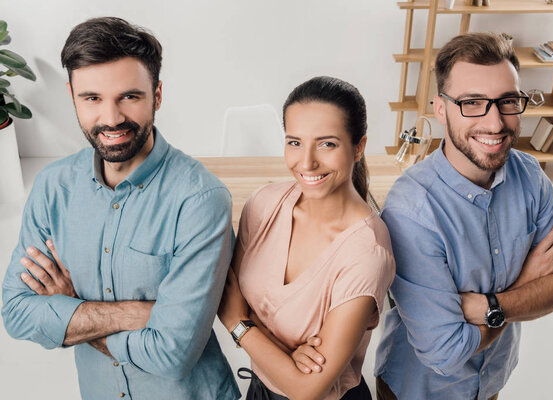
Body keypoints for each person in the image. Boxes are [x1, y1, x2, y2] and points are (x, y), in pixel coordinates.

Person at [1, 17, 240, 400]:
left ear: (157, 96)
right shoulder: (53, 187)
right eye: (92, 98)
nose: (111, 119)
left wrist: (71, 311)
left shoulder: (200, 200)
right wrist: (141, 314)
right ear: (72, 96)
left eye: (129, 96)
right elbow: (16, 312)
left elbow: (172, 352)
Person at [374, 32, 553, 400]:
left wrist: (491, 306)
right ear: (441, 109)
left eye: (507, 101)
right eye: (472, 102)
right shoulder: (411, 211)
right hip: (420, 390)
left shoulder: (530, 175)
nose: (494, 123)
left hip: (492, 380)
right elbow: (446, 352)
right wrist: (523, 290)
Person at [218, 76, 395, 400]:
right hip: (260, 390)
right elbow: (233, 295)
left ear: (359, 147)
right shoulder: (262, 205)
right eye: (295, 142)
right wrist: (285, 358)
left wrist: (239, 325)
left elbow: (306, 388)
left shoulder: (367, 253)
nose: (307, 161)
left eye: (327, 143)